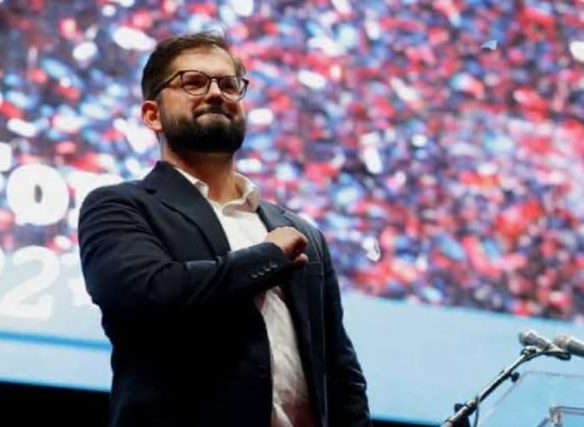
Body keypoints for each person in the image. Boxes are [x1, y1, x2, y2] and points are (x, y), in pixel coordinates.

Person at [78, 31, 371, 427]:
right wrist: (268, 257)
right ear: (152, 114)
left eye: (229, 84)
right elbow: (148, 294)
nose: (216, 93)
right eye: (193, 82)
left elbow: (339, 370)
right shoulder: (121, 206)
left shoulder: (300, 231)